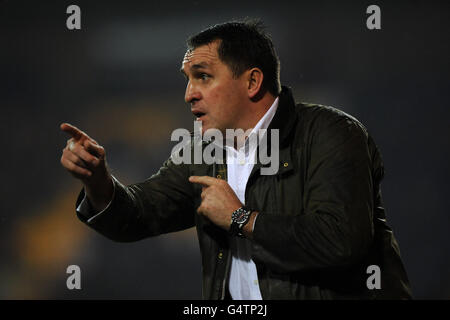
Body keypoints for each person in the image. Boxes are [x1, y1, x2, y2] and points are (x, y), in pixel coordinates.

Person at [60, 20, 412, 299]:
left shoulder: (332, 133)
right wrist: (98, 181)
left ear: (252, 82)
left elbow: (341, 241)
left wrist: (242, 218)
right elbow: (139, 215)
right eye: (187, 80)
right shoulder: (201, 152)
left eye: (203, 76)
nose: (188, 94)